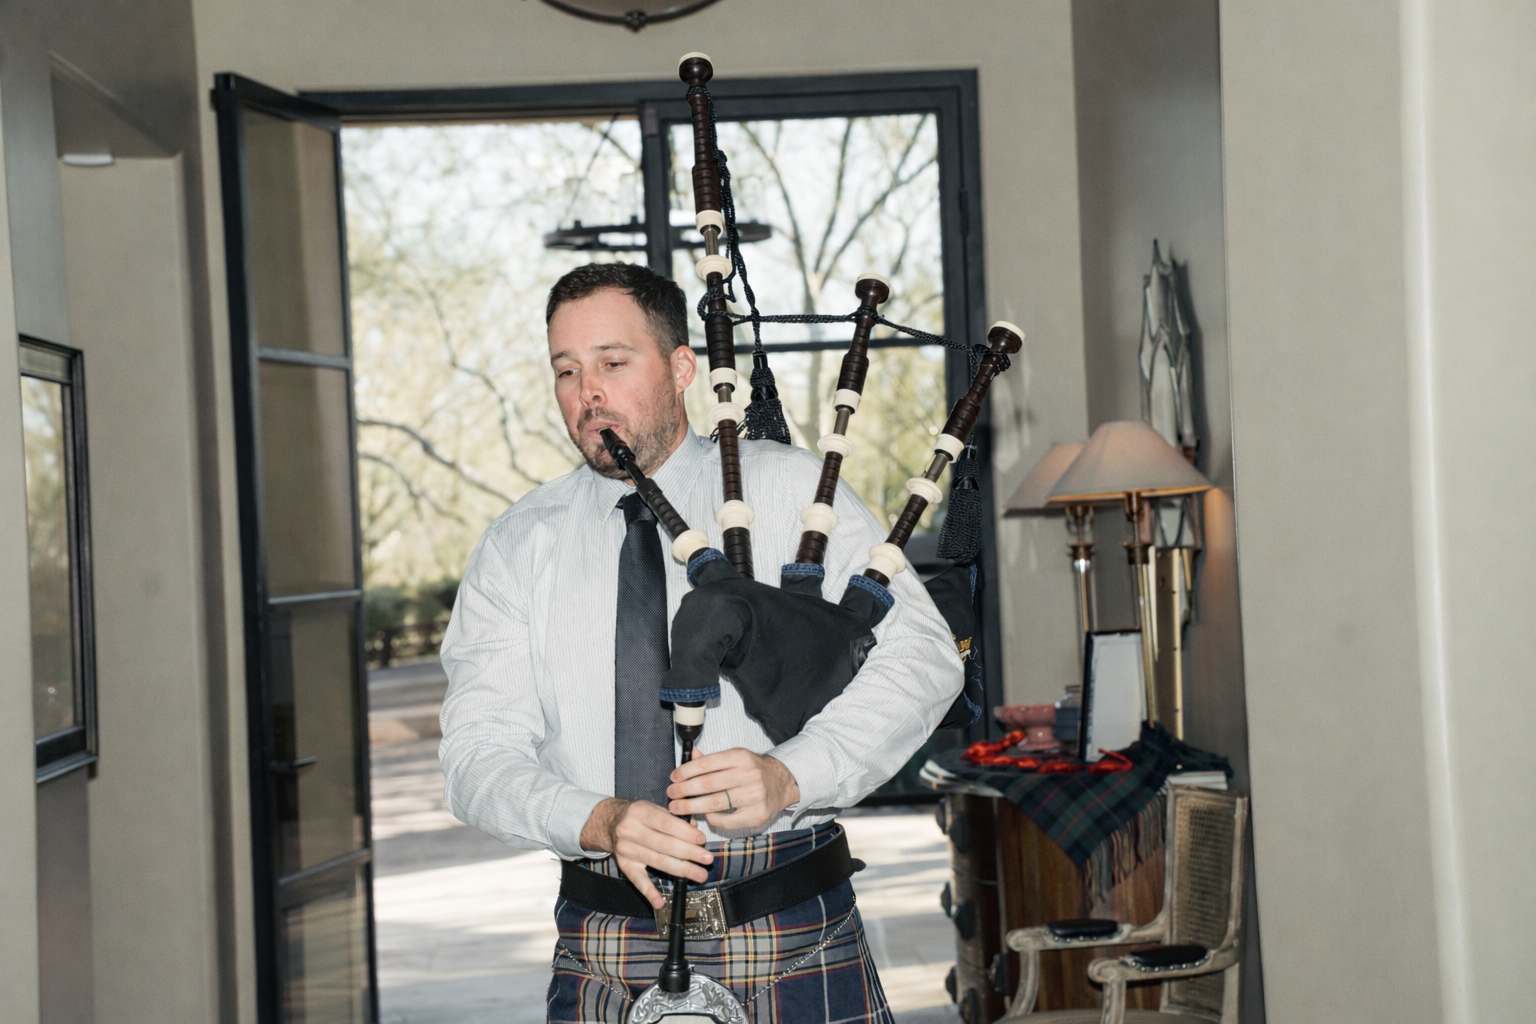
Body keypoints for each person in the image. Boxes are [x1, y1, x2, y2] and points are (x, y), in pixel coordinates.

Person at [439, 262, 962, 1024]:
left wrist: (790, 774)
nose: (588, 393)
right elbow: (475, 757)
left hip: (792, 930)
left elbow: (922, 658)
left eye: (613, 363)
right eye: (566, 370)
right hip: (606, 942)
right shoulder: (520, 546)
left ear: (681, 366)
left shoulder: (790, 492)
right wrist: (598, 819)